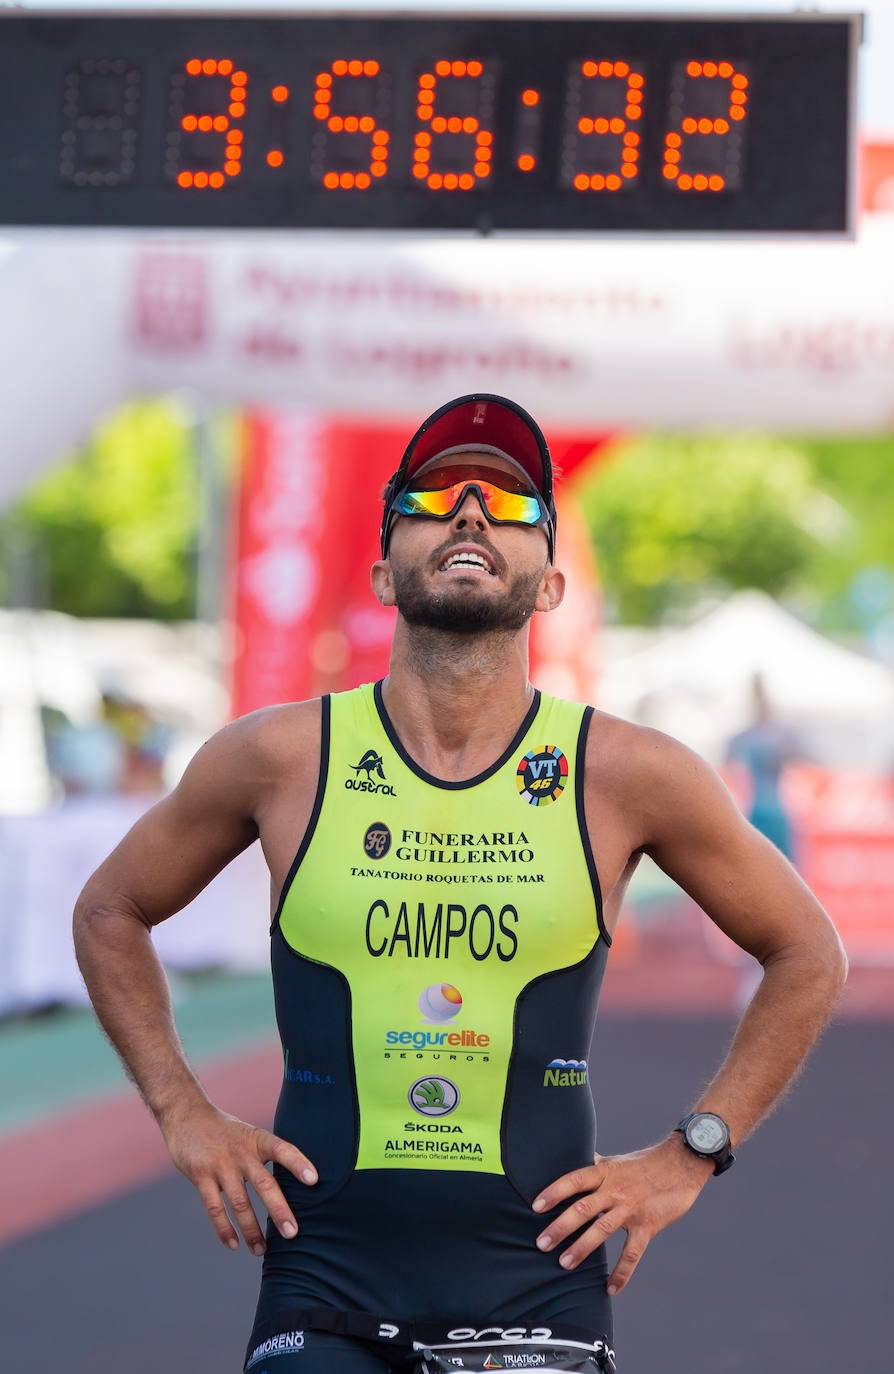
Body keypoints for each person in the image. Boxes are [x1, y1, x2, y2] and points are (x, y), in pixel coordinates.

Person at [73, 394, 847, 1374]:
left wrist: (693, 1150)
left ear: (552, 584)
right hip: (322, 1283)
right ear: (383, 570)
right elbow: (110, 909)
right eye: (434, 496)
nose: (473, 511)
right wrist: (183, 1111)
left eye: (514, 503)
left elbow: (806, 948)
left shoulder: (627, 772)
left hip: (534, 1287)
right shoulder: (278, 758)